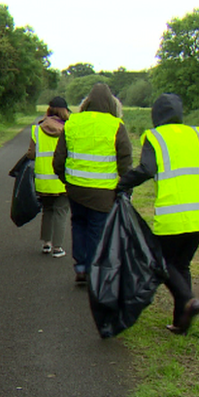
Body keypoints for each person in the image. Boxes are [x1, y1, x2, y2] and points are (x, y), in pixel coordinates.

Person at [116, 93, 199, 334]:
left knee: (161, 262)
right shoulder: (198, 135)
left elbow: (146, 169)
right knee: (181, 264)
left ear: (156, 115)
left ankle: (188, 300)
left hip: (174, 214)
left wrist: (121, 184)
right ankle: (181, 322)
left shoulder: (155, 137)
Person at [53, 83, 133, 283]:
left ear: (86, 102)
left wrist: (67, 181)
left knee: (78, 224)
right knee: (97, 230)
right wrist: (126, 188)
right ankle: (93, 270)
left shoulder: (72, 123)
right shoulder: (116, 125)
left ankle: (81, 268)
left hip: (76, 189)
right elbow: (125, 161)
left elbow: (58, 160)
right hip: (104, 192)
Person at [26, 97, 71, 258]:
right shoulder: (68, 129)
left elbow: (31, 154)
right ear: (65, 110)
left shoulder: (37, 129)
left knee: (47, 210)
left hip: (43, 179)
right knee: (61, 211)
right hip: (61, 179)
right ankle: (58, 248)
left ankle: (46, 243)